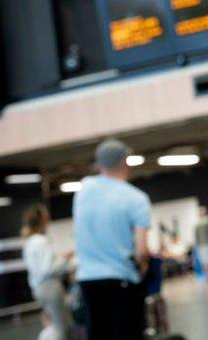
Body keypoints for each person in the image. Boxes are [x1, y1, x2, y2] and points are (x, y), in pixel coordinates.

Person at [74, 138, 151, 340]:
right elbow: (142, 250)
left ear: (99, 164)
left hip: (87, 280)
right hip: (121, 279)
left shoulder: (82, 192)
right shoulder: (136, 198)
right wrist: (142, 266)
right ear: (125, 161)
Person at [22, 204, 72, 340]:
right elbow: (48, 269)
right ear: (42, 220)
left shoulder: (30, 241)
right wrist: (65, 259)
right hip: (49, 287)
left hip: (40, 288)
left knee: (52, 324)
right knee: (60, 328)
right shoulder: (41, 241)